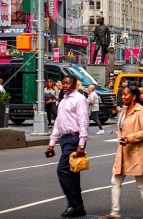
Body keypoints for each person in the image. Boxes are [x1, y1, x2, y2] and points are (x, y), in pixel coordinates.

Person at [101, 84, 143, 219]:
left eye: (125, 94)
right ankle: (115, 212)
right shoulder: (123, 111)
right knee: (115, 181)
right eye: (122, 94)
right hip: (123, 152)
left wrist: (129, 138)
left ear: (134, 97)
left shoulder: (141, 111)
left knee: (141, 184)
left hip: (137, 152)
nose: (122, 97)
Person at [45, 75, 89, 218]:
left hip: (74, 139)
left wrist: (81, 144)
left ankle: (73, 204)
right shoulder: (63, 101)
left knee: (62, 170)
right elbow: (59, 122)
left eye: (68, 83)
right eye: (63, 83)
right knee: (73, 174)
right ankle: (79, 207)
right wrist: (52, 143)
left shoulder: (79, 99)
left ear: (75, 85)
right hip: (65, 140)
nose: (65, 86)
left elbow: (83, 122)